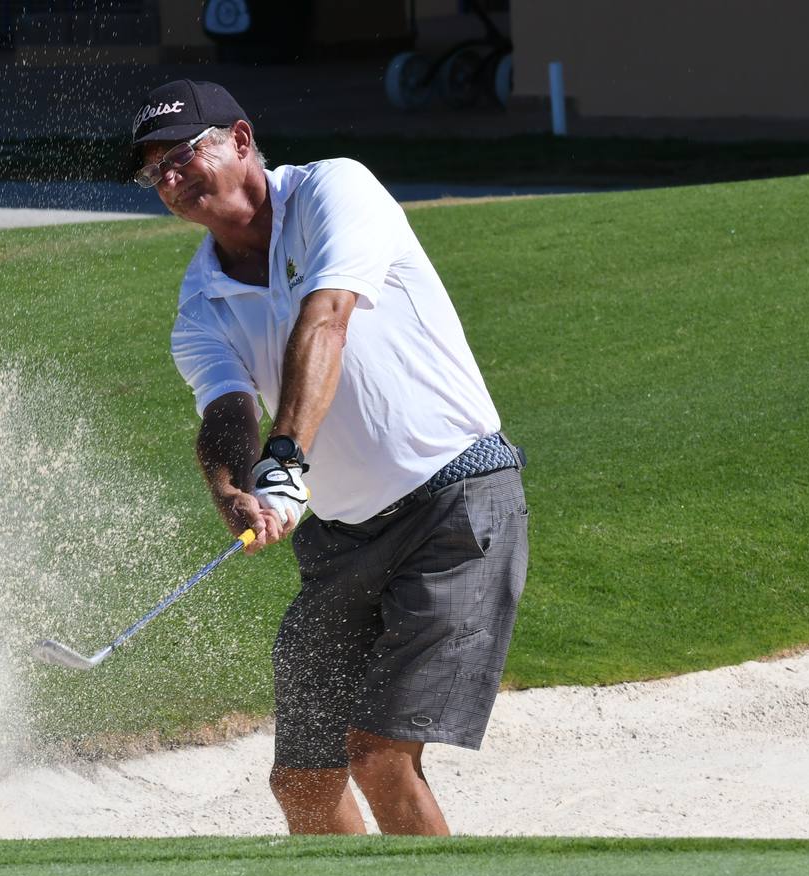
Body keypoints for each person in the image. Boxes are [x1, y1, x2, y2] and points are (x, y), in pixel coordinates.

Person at [130, 79, 528, 836]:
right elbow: (223, 411)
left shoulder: (334, 190)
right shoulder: (199, 301)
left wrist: (284, 458)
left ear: (241, 141)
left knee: (378, 755)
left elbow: (328, 320)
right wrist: (232, 489)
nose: (170, 180)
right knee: (304, 782)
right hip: (338, 541)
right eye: (155, 174)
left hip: (455, 502)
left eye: (182, 156)